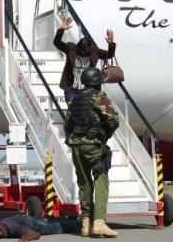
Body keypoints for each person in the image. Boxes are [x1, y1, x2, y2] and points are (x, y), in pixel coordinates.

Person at [64, 68, 120, 238]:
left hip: (75, 145)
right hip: (92, 145)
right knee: (101, 179)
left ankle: (86, 224)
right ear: (97, 82)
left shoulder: (74, 100)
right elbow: (113, 120)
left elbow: (67, 125)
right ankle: (99, 223)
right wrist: (103, 134)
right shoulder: (98, 97)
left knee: (84, 182)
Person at [53, 18, 116, 103]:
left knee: (86, 111)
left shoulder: (95, 52)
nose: (83, 52)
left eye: (86, 51)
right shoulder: (71, 48)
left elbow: (109, 55)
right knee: (74, 110)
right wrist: (61, 30)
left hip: (87, 89)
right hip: (71, 88)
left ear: (90, 49)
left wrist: (111, 44)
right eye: (81, 50)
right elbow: (57, 43)